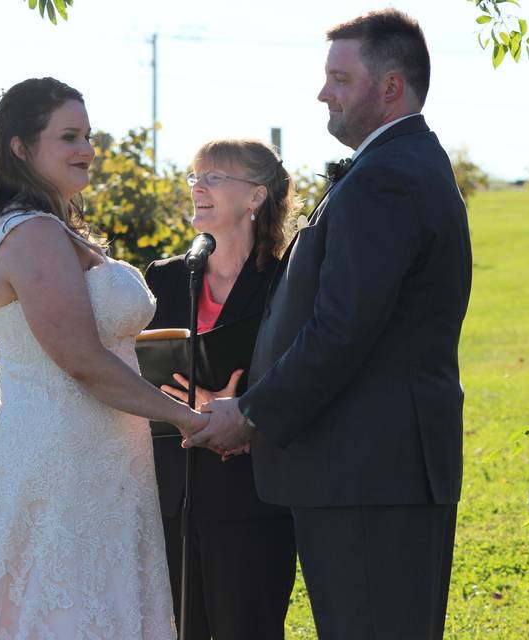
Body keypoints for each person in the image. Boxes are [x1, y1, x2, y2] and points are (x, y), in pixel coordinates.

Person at [185, 10, 472, 640]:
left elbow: (342, 330)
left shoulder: (387, 180)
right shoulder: (398, 166)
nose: (323, 93)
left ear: (390, 87)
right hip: (369, 469)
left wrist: (252, 413)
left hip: (369, 472)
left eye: (339, 79)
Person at [0, 77, 205, 639]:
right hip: (64, 455)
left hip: (99, 451)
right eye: (68, 137)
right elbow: (82, 361)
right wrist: (187, 419)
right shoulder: (35, 235)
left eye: (88, 136)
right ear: (21, 148)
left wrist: (182, 389)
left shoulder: (49, 229)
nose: (87, 150)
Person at [143, 140, 298, 639]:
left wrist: (238, 408)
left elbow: (302, 372)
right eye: (195, 176)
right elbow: (141, 371)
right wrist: (195, 407)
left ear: (255, 197)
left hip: (252, 496)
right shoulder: (166, 278)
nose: (198, 187)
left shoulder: (287, 281)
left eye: (214, 177)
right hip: (171, 491)